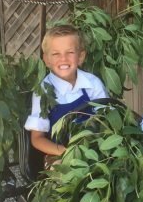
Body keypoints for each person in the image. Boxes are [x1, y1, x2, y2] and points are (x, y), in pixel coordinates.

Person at [24, 24, 108, 157]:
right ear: (46, 60)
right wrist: (67, 153)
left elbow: (107, 119)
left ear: (80, 56)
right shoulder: (43, 92)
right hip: (58, 154)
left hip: (94, 151)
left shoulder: (93, 84)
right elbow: (37, 138)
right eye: (56, 54)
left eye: (70, 52)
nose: (63, 59)